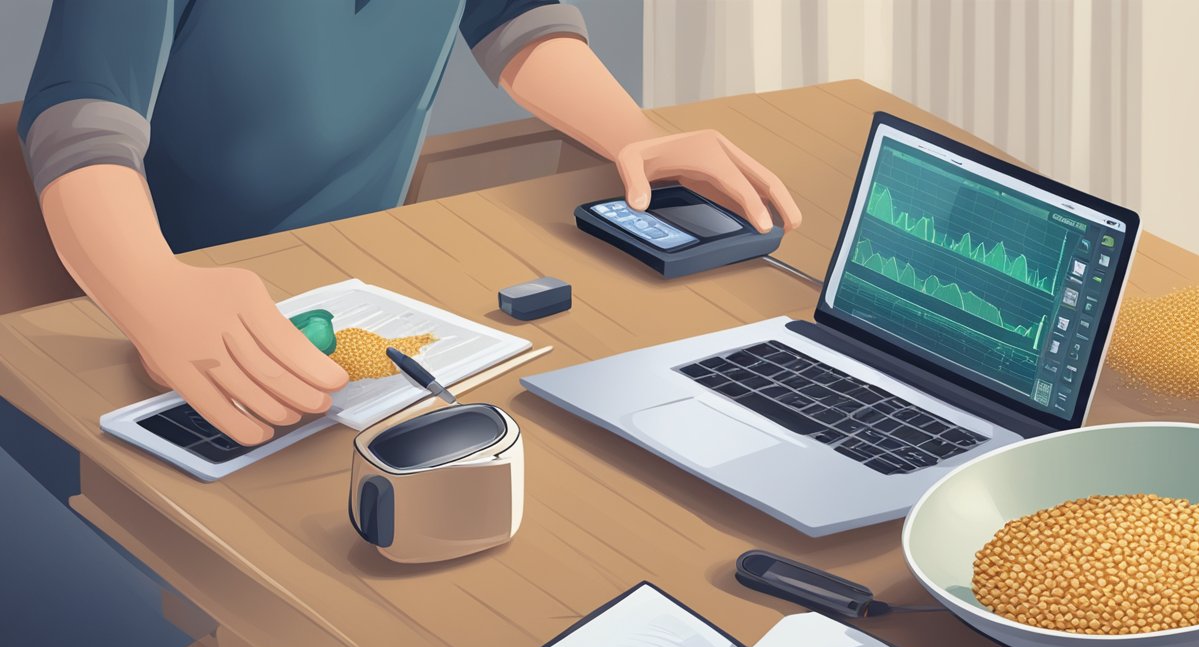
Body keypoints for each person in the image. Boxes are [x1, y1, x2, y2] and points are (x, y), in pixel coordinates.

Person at [19, 0, 802, 446]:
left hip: (365, 280)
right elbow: (79, 126)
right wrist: (151, 285)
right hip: (191, 309)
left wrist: (635, 134)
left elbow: (519, 18)